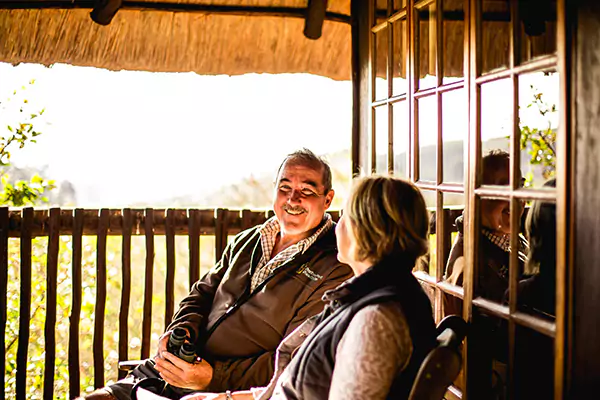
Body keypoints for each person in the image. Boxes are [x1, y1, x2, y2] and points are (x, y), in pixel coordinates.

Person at [82, 149, 353, 399]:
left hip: (227, 392)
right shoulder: (247, 241)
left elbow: (296, 357)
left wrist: (212, 378)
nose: (293, 198)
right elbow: (201, 294)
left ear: (327, 199)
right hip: (171, 370)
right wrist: (181, 329)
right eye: (285, 188)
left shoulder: (335, 264)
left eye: (307, 190)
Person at [182, 176, 437, 400]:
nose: (339, 224)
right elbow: (298, 387)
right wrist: (229, 399)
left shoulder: (377, 319)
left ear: (365, 230)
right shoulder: (371, 296)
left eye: (345, 215)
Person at [444, 150, 529, 310]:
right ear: (478, 197)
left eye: (520, 186)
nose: (517, 198)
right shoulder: (469, 264)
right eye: (505, 188)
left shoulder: (510, 239)